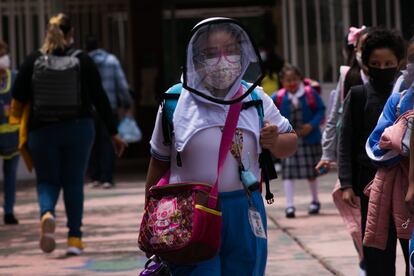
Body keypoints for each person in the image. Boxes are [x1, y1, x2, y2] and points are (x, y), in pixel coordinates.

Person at [145, 17, 297, 275]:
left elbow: (290, 142)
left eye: (231, 51)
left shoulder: (256, 98)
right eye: (211, 53)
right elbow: (158, 163)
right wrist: (150, 219)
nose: (223, 59)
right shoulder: (175, 102)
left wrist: (275, 141)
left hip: (245, 209)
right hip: (189, 211)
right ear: (195, 57)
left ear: (243, 54)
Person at [10, 13, 126, 255]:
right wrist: (114, 133)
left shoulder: (34, 59)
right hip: (78, 129)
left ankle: (47, 213)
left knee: (47, 180)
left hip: (41, 131)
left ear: (47, 33)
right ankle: (74, 238)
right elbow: (100, 99)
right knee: (73, 182)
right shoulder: (82, 60)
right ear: (72, 34)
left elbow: (18, 96)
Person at [339, 28, 406, 276]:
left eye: (389, 63)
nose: (383, 67)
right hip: (371, 186)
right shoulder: (358, 95)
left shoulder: (408, 96)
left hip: (407, 186)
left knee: (411, 247)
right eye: (376, 63)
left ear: (399, 63)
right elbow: (346, 141)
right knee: (378, 252)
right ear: (365, 65)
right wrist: (346, 183)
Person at [315, 26, 370, 275]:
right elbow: (335, 114)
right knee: (356, 217)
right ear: (355, 50)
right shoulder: (349, 75)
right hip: (355, 155)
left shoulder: (395, 77)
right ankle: (364, 261)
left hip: (383, 157)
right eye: (363, 48)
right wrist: (328, 154)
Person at [273, 65, 325, 218]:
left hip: (308, 139)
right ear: (282, 81)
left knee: (311, 171)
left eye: (294, 79)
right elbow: (267, 112)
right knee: (288, 173)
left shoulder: (310, 94)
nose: (291, 83)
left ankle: (315, 201)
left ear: (300, 79)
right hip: (288, 140)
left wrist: (311, 125)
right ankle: (289, 205)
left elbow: (320, 109)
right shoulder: (278, 97)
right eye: (288, 80)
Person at [85, 35, 132, 189]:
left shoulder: (83, 61)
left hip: (88, 109)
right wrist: (126, 102)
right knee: (108, 142)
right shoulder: (112, 61)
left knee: (92, 143)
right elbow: (122, 84)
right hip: (109, 108)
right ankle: (107, 177)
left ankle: (95, 176)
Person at [0, 40, 20, 225]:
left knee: (11, 175)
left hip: (12, 136)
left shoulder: (14, 77)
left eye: (3, 54)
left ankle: (9, 210)